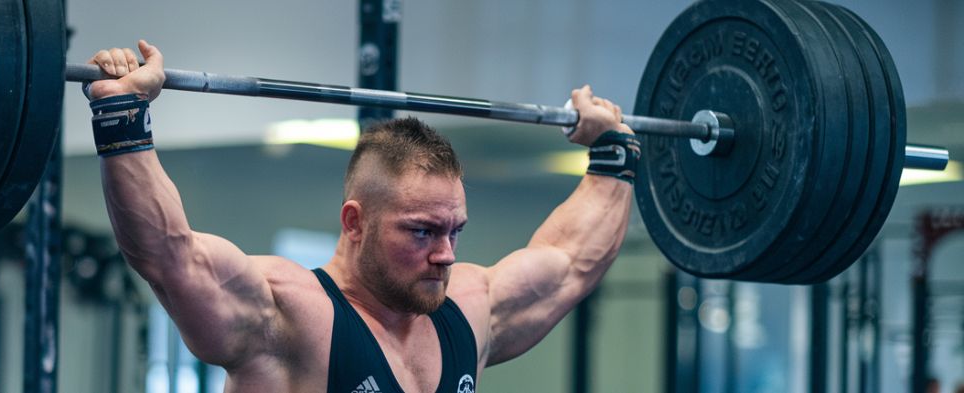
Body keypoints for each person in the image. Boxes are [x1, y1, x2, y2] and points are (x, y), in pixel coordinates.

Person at [85, 41, 637, 392]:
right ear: (354, 221)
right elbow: (168, 256)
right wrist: (121, 115)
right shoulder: (290, 316)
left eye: (454, 231)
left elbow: (569, 263)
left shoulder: (468, 309)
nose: (445, 253)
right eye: (421, 230)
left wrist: (614, 155)